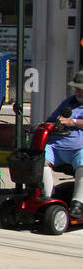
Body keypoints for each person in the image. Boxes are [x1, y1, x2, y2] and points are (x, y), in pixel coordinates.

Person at [39, 71, 83, 218]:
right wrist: (55, 124)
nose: (77, 91)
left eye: (80, 88)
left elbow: (74, 122)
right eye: (76, 88)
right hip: (57, 146)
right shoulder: (69, 102)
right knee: (40, 156)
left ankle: (78, 203)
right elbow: (50, 120)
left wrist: (73, 122)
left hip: (79, 149)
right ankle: (49, 198)